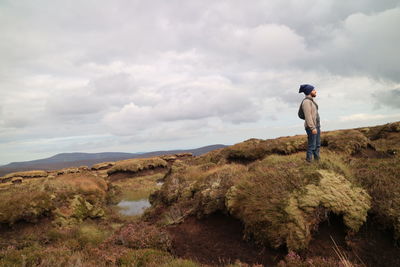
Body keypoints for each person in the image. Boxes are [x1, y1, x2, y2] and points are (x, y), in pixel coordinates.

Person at [299, 84, 320, 162]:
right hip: (312, 127)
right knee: (312, 146)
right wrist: (312, 127)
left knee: (317, 145)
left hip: (316, 126)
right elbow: (308, 116)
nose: (315, 91)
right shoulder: (306, 102)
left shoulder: (311, 101)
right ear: (309, 91)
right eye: (314, 90)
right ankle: (308, 162)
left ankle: (317, 162)